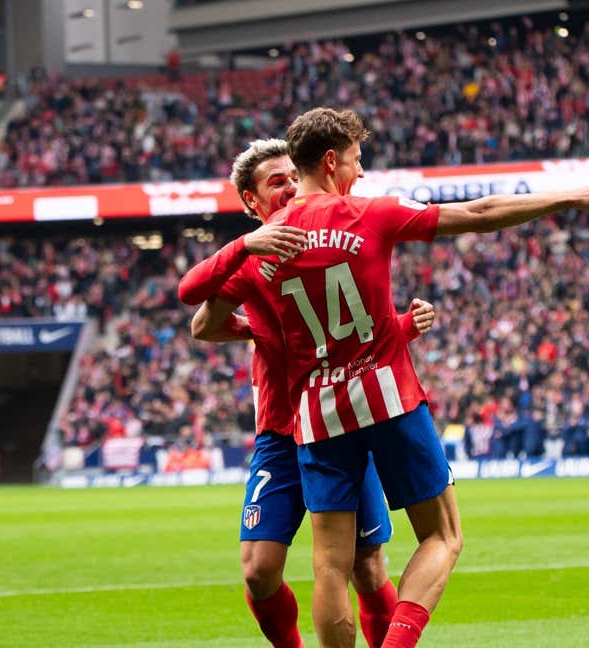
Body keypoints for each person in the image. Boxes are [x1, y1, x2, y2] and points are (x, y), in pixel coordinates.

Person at [199, 107, 589, 648]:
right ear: (330, 162)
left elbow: (200, 311)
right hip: (383, 398)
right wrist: (564, 195)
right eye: (355, 160)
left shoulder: (260, 259)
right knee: (442, 536)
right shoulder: (368, 214)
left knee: (338, 564)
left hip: (317, 413)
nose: (361, 172)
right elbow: (480, 211)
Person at [179, 138, 436, 648]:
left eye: (293, 177)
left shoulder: (328, 240)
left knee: (366, 566)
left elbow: (352, 331)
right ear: (251, 202)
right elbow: (200, 321)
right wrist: (250, 327)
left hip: (337, 419)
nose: (291, 188)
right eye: (276, 182)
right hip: (281, 428)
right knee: (258, 571)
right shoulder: (255, 261)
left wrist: (404, 326)